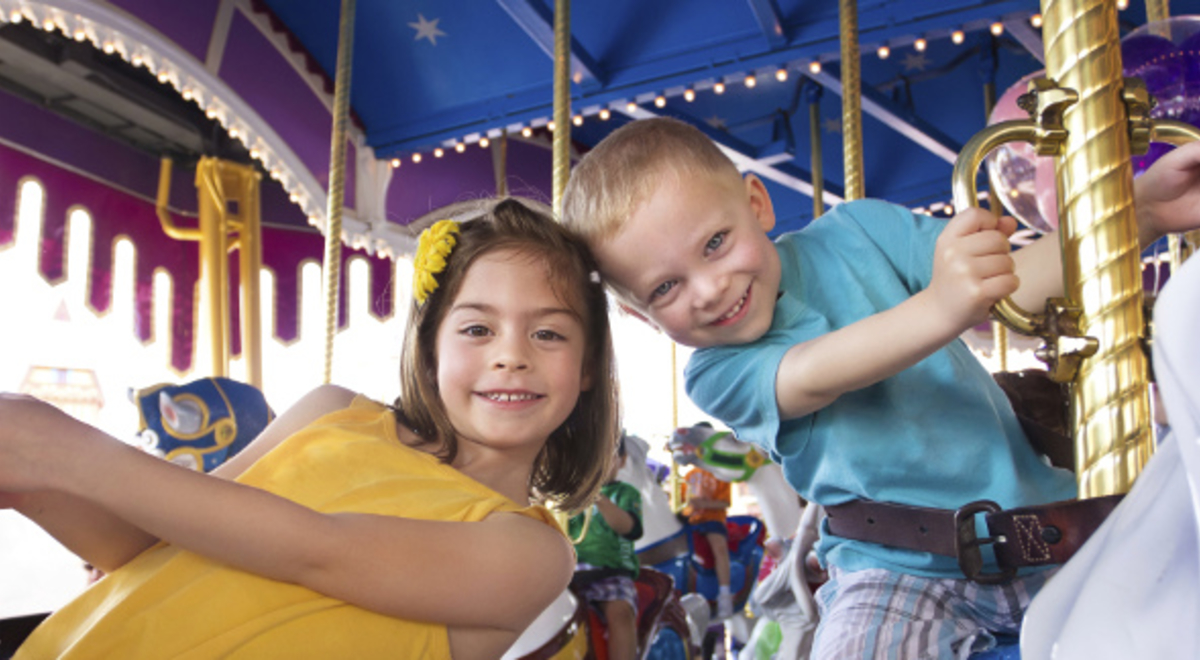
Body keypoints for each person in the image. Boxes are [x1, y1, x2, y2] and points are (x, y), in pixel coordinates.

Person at [560, 116, 1200, 659]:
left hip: (1051, 528)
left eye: (716, 243)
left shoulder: (860, 232)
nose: (707, 289)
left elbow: (1007, 287)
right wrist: (943, 305)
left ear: (757, 203)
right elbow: (821, 371)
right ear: (642, 316)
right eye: (665, 289)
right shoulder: (716, 370)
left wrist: (1137, 212)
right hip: (897, 573)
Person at [0, 197, 620, 660]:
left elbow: (315, 551)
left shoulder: (531, 556)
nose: (511, 355)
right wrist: (31, 482)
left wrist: (66, 451)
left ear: (588, 367)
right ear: (430, 347)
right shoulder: (331, 412)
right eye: (477, 329)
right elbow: (148, 544)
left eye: (548, 333)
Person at [568, 433, 643, 660]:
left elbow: (626, 526)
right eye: (592, 459)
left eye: (606, 457)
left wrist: (598, 497)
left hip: (610, 573)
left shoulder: (623, 493)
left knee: (619, 613)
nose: (597, 466)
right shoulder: (570, 498)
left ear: (622, 460)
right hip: (571, 573)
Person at [672, 423, 735, 619]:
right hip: (692, 521)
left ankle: (725, 594)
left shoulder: (720, 472)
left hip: (712, 520)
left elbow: (725, 503)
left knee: (719, 548)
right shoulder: (689, 475)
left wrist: (704, 503)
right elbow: (682, 504)